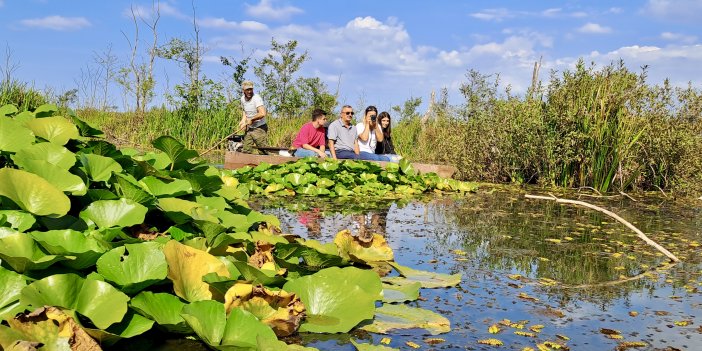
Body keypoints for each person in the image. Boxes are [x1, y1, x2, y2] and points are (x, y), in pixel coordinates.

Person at [238, 80, 268, 154]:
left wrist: (252, 119)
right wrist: (243, 121)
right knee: (246, 150)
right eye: (247, 90)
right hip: (249, 128)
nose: (249, 92)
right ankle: (246, 164)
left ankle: (267, 163)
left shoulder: (256, 98)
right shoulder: (242, 99)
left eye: (250, 89)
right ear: (243, 90)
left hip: (259, 128)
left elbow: (262, 113)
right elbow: (245, 111)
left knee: (262, 150)